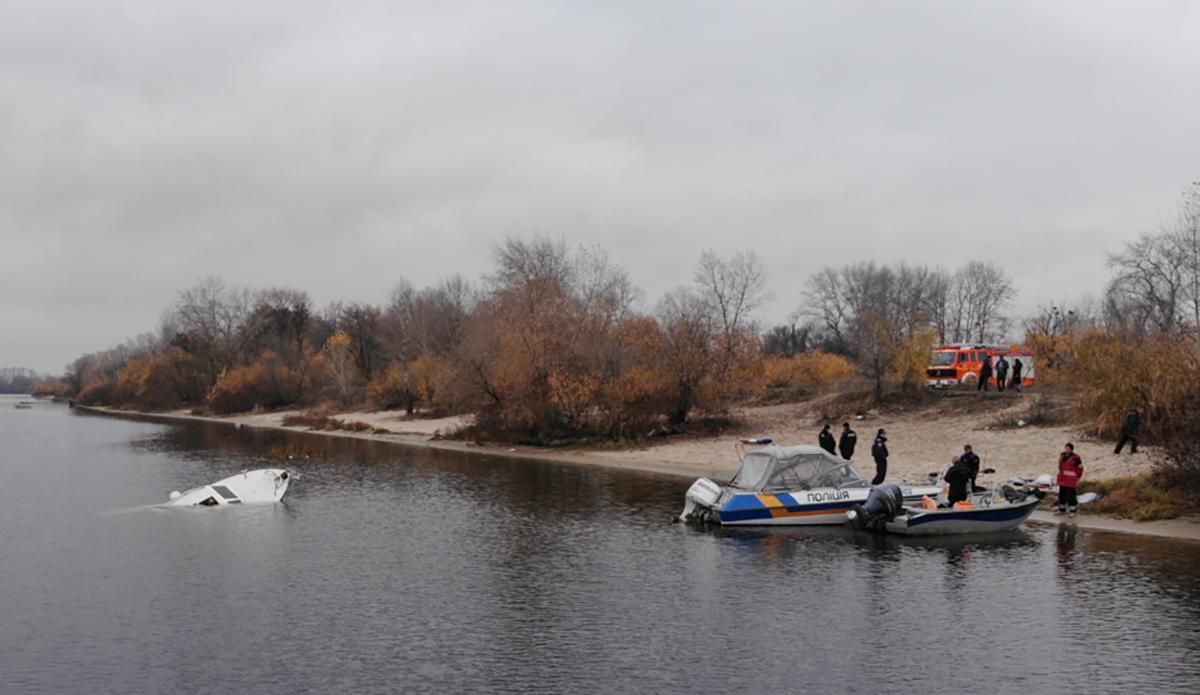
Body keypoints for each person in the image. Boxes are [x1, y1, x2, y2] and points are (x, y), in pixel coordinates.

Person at [1056, 443, 1084, 516]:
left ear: (1071, 449)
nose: (1067, 450)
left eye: (1068, 448)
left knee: (1071, 496)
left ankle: (1073, 511)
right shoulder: (1062, 456)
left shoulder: (1076, 458)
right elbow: (1061, 467)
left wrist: (1078, 477)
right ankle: (1062, 510)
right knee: (1061, 495)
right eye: (1066, 448)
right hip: (1063, 479)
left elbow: (1080, 468)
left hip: (1071, 480)